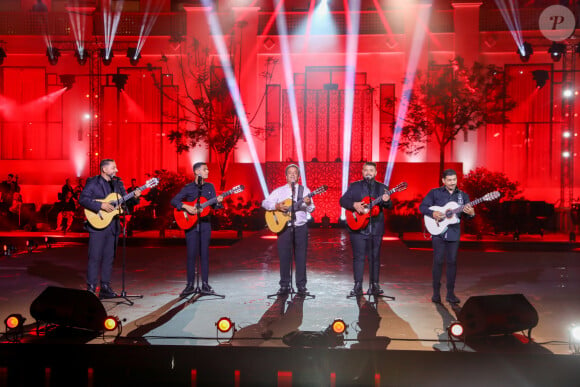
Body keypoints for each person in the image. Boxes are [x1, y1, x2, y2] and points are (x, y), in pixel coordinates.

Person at [79, 159, 141, 299]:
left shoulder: (118, 183)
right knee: (94, 257)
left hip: (113, 225)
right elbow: (83, 199)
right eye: (113, 168)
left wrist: (135, 197)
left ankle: (105, 287)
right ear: (104, 169)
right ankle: (91, 288)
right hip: (98, 226)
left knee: (109, 258)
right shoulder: (93, 182)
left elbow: (125, 202)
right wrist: (100, 206)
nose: (116, 170)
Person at [419, 169, 475, 304]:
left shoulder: (463, 196)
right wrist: (433, 214)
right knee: (438, 261)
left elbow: (467, 217)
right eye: (449, 180)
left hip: (454, 233)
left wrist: (472, 213)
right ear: (443, 181)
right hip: (438, 232)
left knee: (452, 263)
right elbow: (422, 207)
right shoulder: (435, 193)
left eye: (454, 180)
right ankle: (436, 294)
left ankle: (450, 294)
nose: (452, 183)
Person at [171, 162, 223, 298]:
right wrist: (185, 207)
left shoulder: (210, 187)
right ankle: (190, 285)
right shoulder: (188, 188)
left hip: (205, 224)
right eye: (205, 169)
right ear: (197, 172)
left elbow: (215, 207)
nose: (208, 171)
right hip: (191, 225)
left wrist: (219, 202)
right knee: (191, 255)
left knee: (204, 254)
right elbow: (174, 201)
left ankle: (205, 284)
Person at [340, 162, 392, 296]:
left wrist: (386, 200)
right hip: (357, 228)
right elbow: (342, 201)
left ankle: (374, 285)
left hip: (375, 228)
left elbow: (390, 205)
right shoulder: (355, 186)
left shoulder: (382, 188)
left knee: (375, 257)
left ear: (375, 173)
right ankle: (357, 285)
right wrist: (354, 205)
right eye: (366, 170)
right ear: (362, 172)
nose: (368, 172)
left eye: (371, 170)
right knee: (358, 257)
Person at [262, 164, 315, 296]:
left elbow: (311, 209)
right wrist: (276, 205)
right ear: (286, 176)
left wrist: (308, 203)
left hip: (301, 227)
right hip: (284, 229)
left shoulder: (305, 190)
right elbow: (265, 203)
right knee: (284, 257)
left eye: (295, 173)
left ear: (298, 176)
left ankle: (301, 286)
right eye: (290, 173)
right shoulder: (279, 191)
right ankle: (284, 285)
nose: (292, 175)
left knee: (301, 257)